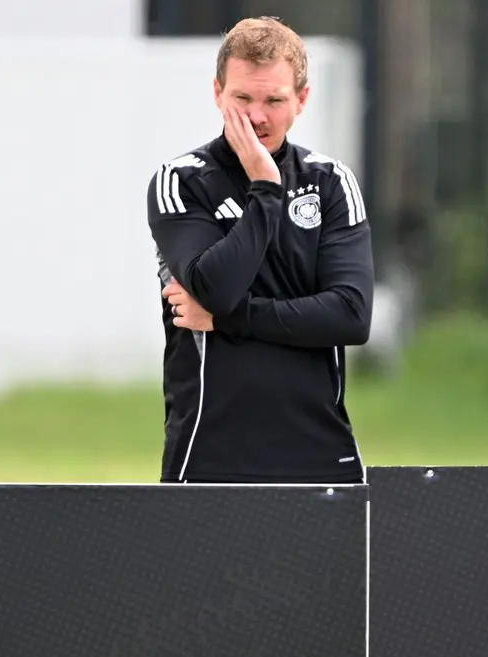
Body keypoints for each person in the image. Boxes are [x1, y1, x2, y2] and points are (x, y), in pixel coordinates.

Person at [146, 16, 374, 484]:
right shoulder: (182, 181)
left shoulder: (330, 182)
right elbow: (215, 289)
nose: (256, 117)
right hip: (209, 455)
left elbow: (350, 315)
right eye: (242, 99)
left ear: (301, 100)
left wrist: (230, 320)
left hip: (319, 453)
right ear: (217, 93)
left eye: (274, 100)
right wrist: (266, 189)